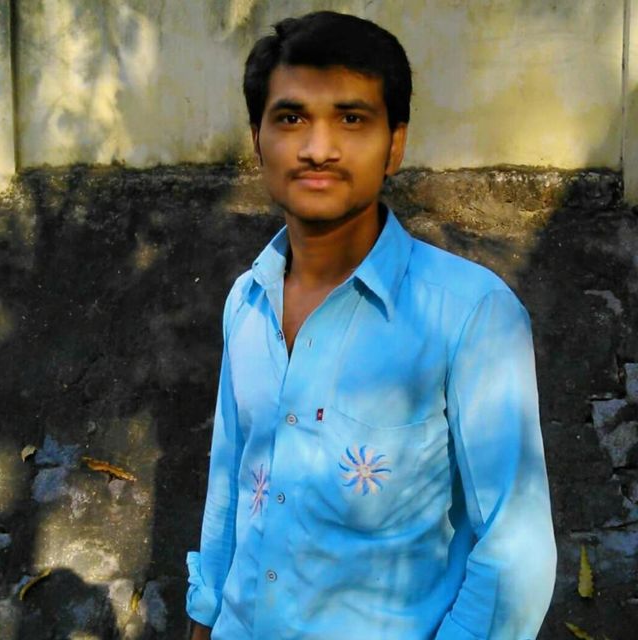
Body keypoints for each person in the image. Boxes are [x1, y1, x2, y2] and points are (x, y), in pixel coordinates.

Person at [186, 10, 556, 640]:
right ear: (257, 140)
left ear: (396, 144)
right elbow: (230, 485)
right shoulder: (246, 302)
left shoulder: (469, 315)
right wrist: (205, 616)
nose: (318, 148)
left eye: (351, 119)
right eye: (290, 118)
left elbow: (516, 553)